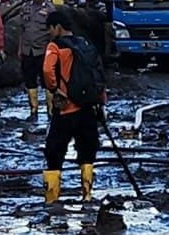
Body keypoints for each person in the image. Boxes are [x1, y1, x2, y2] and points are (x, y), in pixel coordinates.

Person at [42, 11, 105, 203]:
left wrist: (54, 88)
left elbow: (47, 69)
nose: (49, 33)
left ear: (58, 27)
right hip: (87, 107)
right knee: (87, 152)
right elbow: (99, 72)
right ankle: (87, 195)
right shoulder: (85, 44)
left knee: (54, 151)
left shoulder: (56, 46)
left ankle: (52, 199)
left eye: (50, 28)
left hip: (66, 108)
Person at [19, 0, 55, 120]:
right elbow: (22, 29)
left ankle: (50, 110)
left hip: (43, 50)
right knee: (29, 80)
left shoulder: (50, 9)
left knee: (47, 81)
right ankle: (33, 110)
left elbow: (53, 31)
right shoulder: (25, 8)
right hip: (28, 50)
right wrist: (20, 48)